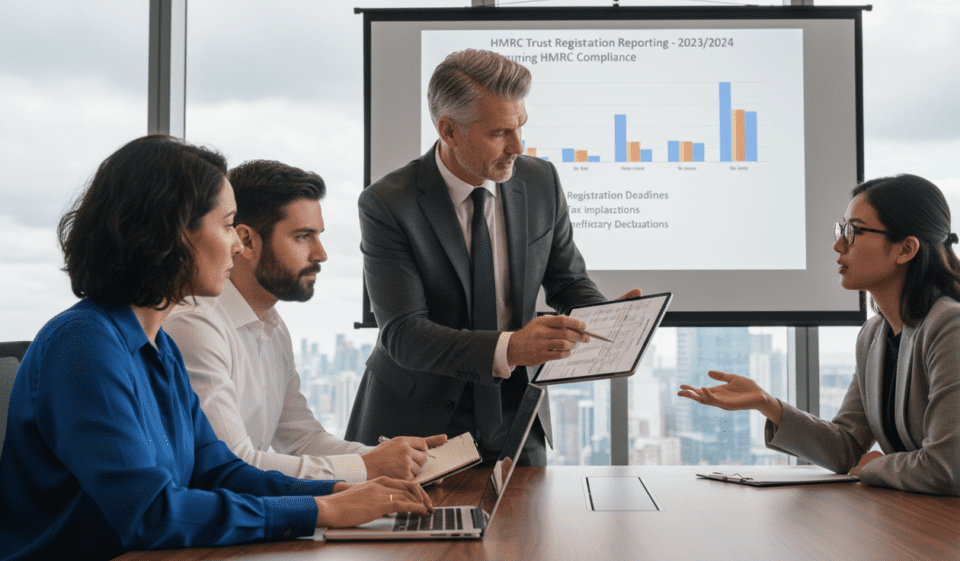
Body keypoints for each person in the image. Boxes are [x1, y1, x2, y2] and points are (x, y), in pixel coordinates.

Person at [0, 136, 431, 560]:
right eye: (227, 225)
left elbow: (219, 471)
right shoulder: (84, 347)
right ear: (171, 232)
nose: (238, 244)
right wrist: (321, 509)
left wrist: (340, 492)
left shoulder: (159, 348)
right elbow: (151, 513)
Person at [347, 48, 640, 464]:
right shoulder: (388, 203)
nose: (518, 146)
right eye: (499, 133)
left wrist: (606, 319)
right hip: (417, 424)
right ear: (449, 130)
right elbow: (403, 334)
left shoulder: (541, 181)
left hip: (516, 418)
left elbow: (568, 281)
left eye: (521, 126)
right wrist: (510, 348)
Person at [678, 174, 960, 519]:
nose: (839, 245)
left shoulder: (955, 327)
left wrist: (874, 466)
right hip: (929, 522)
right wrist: (768, 405)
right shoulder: (874, 335)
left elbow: (949, 471)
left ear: (906, 248)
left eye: (854, 232)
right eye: (841, 229)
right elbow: (847, 447)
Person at [164, 159, 446, 483]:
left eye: (319, 236)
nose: (321, 254)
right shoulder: (196, 327)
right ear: (248, 241)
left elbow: (302, 441)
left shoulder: (271, 326)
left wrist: (395, 459)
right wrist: (368, 468)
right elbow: (233, 464)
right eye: (303, 236)